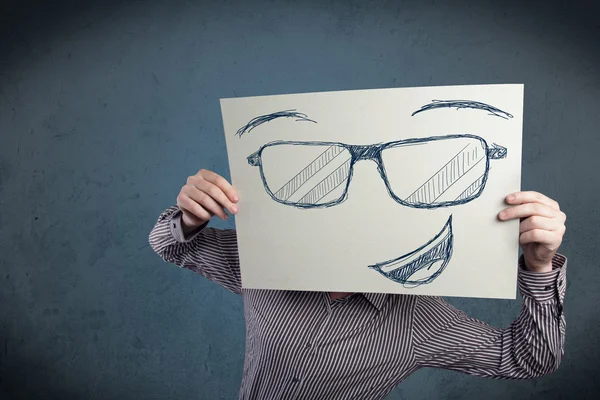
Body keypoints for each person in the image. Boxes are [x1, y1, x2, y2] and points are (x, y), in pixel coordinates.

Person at [149, 168, 567, 400]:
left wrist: (539, 266)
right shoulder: (268, 262)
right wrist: (191, 216)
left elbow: (529, 359)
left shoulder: (421, 320)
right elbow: (170, 246)